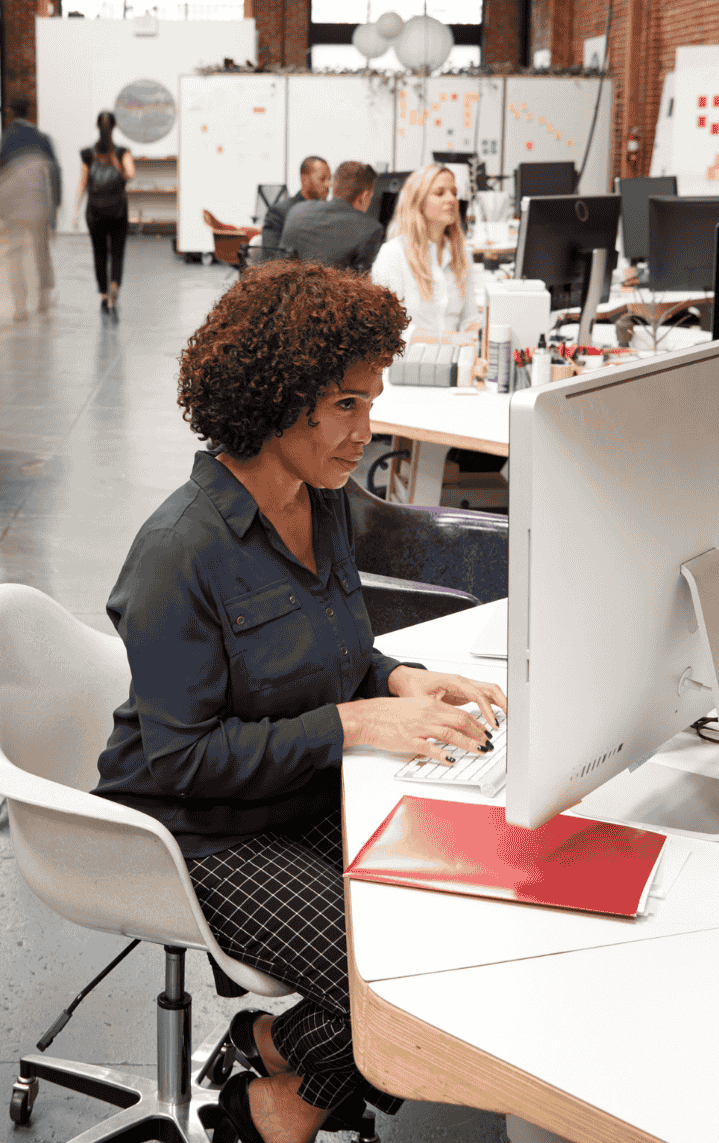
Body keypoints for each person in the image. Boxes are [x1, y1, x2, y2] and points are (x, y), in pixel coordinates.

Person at [94, 262, 507, 1143]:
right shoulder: (179, 551)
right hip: (200, 829)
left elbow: (335, 653)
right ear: (281, 399)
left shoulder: (322, 504)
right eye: (348, 404)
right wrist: (358, 722)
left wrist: (399, 679)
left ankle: (270, 1044)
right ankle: (271, 1107)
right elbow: (181, 760)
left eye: (372, 401)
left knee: (453, 941)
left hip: (304, 794)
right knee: (395, 993)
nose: (368, 427)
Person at [369, 164, 480, 337]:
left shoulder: (461, 253)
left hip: (455, 356)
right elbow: (390, 329)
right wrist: (452, 340)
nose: (451, 199)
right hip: (411, 360)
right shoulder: (394, 253)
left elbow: (470, 318)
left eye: (454, 193)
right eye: (439, 193)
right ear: (418, 201)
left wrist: (473, 339)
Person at [0, 97, 59, 319]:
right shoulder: (42, 139)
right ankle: (43, 298)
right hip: (38, 206)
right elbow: (54, 175)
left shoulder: (6, 139)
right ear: (30, 113)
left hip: (13, 209)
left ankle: (20, 306)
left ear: (12, 113)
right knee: (42, 252)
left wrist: (0, 211)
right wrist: (55, 209)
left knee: (15, 255)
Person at [76, 110, 135, 317]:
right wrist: (117, 164)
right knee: (117, 253)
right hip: (118, 211)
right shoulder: (121, 153)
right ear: (115, 127)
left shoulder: (88, 154)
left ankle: (103, 295)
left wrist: (75, 211)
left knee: (99, 253)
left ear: (97, 126)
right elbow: (130, 175)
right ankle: (114, 284)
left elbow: (83, 183)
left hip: (95, 212)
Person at [276, 161, 384, 271]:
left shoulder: (296, 210)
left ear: (335, 185)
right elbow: (363, 283)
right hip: (332, 288)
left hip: (284, 286)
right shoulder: (371, 229)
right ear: (364, 196)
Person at [260, 156, 331, 253]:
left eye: (329, 179)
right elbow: (270, 258)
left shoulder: (332, 214)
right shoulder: (279, 213)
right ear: (304, 179)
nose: (328, 184)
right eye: (322, 179)